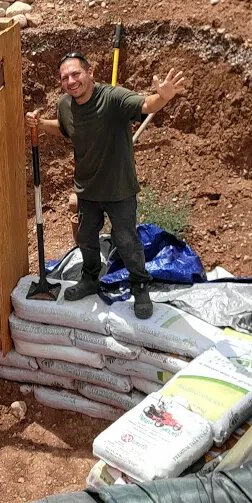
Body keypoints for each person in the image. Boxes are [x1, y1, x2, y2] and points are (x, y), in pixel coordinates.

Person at [26, 52, 188, 319]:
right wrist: (41, 124)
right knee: (86, 238)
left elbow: (146, 105)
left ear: (90, 73)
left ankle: (140, 287)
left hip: (119, 189)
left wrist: (164, 96)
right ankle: (90, 279)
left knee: (126, 241)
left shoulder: (113, 98)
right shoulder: (65, 105)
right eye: (65, 77)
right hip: (87, 189)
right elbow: (65, 128)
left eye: (76, 74)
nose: (71, 81)